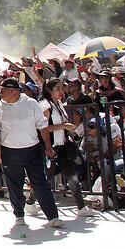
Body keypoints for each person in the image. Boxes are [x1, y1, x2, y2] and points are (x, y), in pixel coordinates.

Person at [0, 77, 63, 228]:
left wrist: (48, 147)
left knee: (40, 183)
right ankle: (19, 215)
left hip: (32, 150)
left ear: (13, 91)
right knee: (14, 185)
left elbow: (42, 125)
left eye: (2, 90)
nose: (0, 93)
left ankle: (52, 216)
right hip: (10, 152)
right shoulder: (0, 108)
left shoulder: (31, 103)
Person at [39, 79, 96, 217]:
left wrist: (66, 128)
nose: (61, 91)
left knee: (72, 175)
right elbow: (43, 128)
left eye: (61, 88)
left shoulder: (58, 104)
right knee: (46, 177)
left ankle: (81, 207)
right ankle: (30, 202)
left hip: (62, 145)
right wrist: (63, 127)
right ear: (49, 90)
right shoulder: (45, 105)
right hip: (51, 146)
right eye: (57, 89)